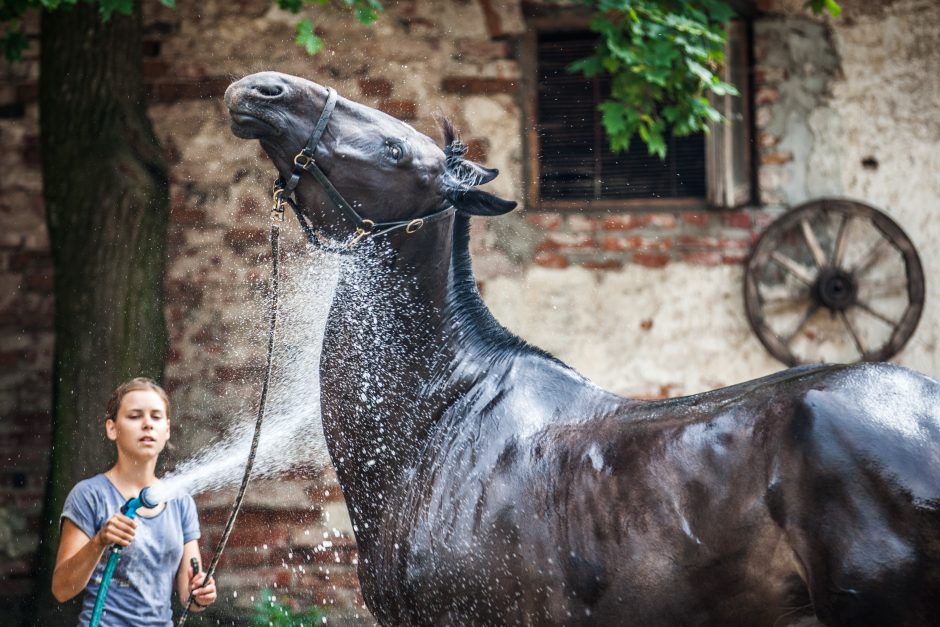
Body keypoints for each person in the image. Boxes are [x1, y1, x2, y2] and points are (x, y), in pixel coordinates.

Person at [51, 377, 217, 625]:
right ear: (112, 428)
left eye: (156, 416)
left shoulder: (181, 501)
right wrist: (100, 541)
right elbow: (62, 589)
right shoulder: (89, 495)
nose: (148, 424)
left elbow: (188, 596)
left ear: (167, 430)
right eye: (135, 416)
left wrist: (201, 594)